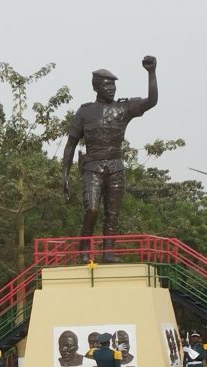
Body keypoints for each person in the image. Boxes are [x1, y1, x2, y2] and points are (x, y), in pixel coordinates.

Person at [61, 57, 158, 263]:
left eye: (113, 85)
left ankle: (108, 252)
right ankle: (84, 249)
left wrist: (151, 72)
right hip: (92, 167)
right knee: (92, 209)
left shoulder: (123, 108)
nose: (112, 88)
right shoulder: (85, 112)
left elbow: (152, 101)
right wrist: (65, 174)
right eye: (107, 85)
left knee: (112, 212)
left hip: (115, 166)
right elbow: (70, 145)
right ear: (97, 87)